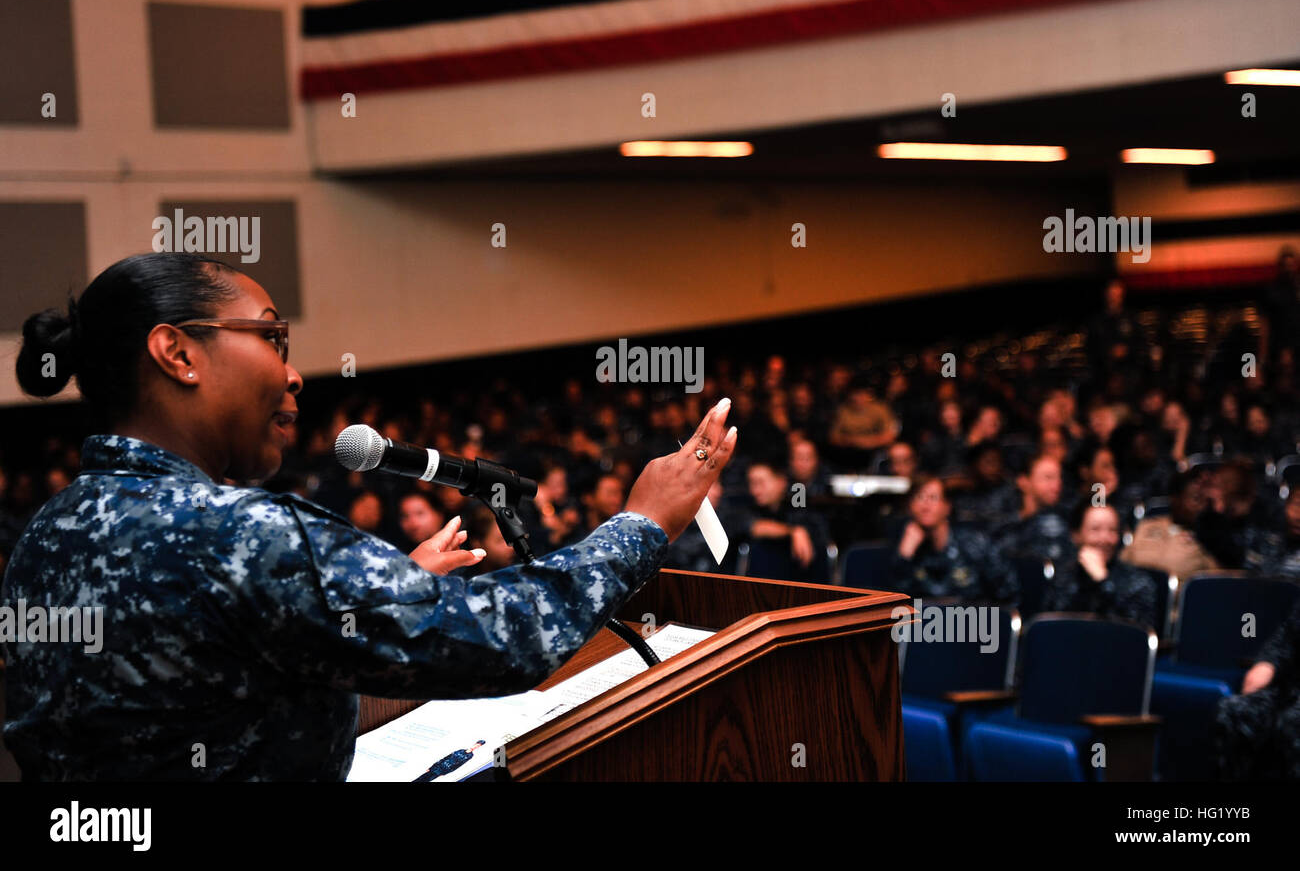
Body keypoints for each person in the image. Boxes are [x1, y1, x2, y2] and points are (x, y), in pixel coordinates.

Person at [1, 252, 739, 781]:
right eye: (272, 336)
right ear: (178, 353)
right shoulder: (236, 531)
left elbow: (207, 693)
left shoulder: (43, 536)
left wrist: (367, 602)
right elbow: (504, 640)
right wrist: (641, 523)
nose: (292, 371)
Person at [890, 474, 1018, 604]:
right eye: (919, 497)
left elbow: (1006, 592)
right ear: (910, 507)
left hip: (974, 620)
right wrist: (904, 557)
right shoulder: (905, 544)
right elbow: (898, 603)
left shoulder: (974, 542)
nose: (925, 505)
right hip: (926, 621)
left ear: (947, 506)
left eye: (933, 498)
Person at [1213, 597, 1300, 780]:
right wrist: (1267, 663)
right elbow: (1286, 637)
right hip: (1292, 689)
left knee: (1292, 721)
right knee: (1235, 711)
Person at [1041, 500, 1157, 629]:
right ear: (1076, 535)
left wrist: (1103, 581)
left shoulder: (1139, 582)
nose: (1105, 538)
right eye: (1095, 529)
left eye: (1112, 530)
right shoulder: (1063, 576)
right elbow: (1052, 626)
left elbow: (1134, 635)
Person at [1120, 470, 1217, 578]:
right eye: (1196, 499)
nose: (1202, 506)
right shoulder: (1147, 526)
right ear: (1175, 499)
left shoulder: (1209, 539)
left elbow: (1218, 580)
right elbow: (1124, 560)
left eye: (1207, 501)